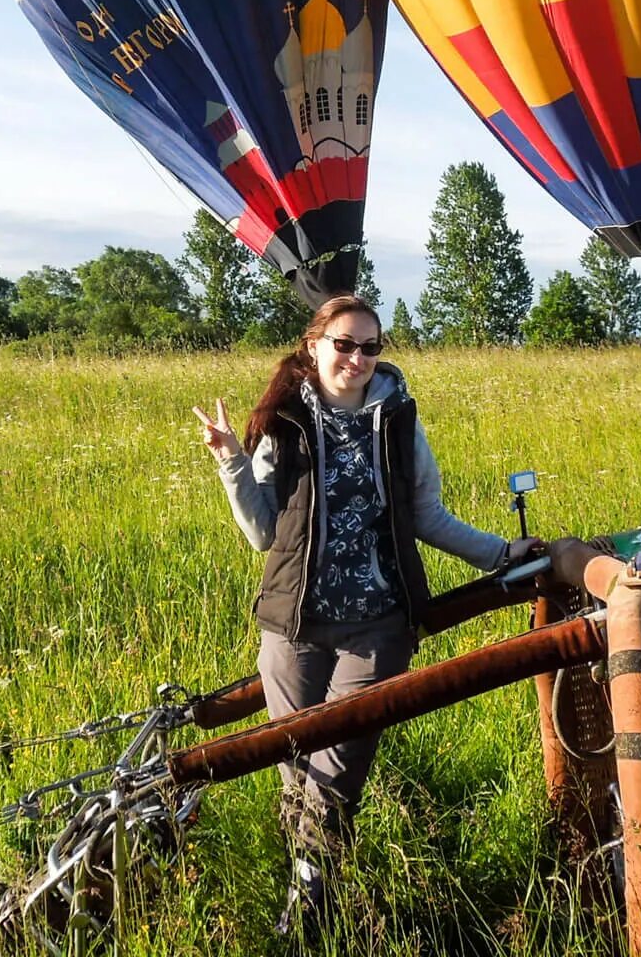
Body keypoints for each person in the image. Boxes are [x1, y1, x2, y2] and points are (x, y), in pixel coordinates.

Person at [193, 295, 542, 936]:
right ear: (315, 345)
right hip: (294, 623)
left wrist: (501, 552)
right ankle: (308, 891)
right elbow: (263, 533)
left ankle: (311, 907)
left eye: (369, 346)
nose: (356, 358)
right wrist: (230, 464)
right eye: (344, 344)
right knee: (293, 762)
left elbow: (427, 517)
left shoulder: (399, 420)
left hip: (378, 623)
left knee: (336, 769)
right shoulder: (284, 420)